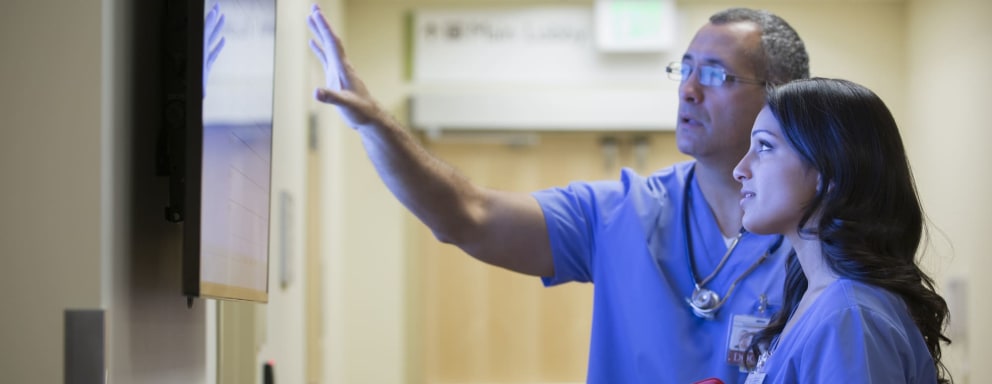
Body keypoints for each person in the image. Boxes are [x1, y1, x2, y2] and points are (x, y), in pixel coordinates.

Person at [307, 5, 809, 383]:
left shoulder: (823, 234)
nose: (689, 90)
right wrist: (373, 124)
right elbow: (466, 216)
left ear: (782, 93)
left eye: (716, 75)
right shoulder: (620, 213)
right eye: (685, 69)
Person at [732, 78, 952, 383]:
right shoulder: (818, 301)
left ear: (829, 171)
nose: (740, 169)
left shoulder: (850, 317)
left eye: (765, 147)